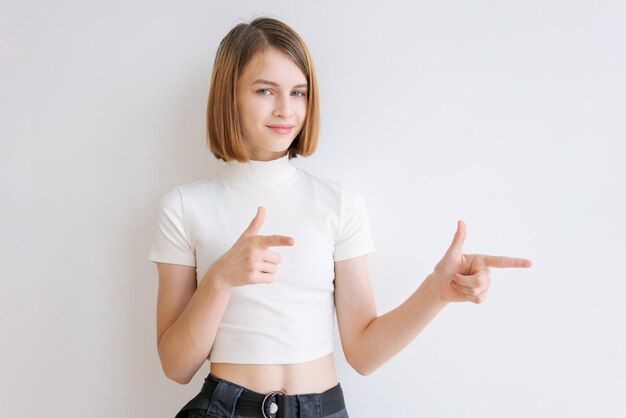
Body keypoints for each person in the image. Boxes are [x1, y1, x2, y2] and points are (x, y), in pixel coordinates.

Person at [147, 16, 532, 418]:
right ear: (230, 96)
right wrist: (220, 279)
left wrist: (438, 290)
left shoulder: (337, 203)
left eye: (298, 93)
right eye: (265, 90)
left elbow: (364, 353)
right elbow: (176, 366)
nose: (285, 109)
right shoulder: (183, 207)